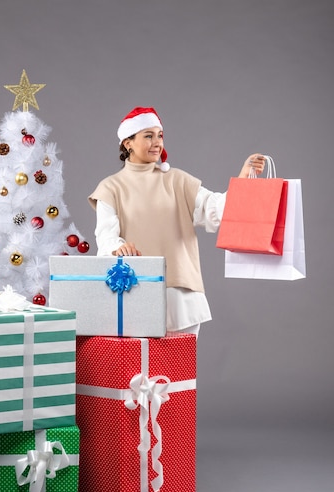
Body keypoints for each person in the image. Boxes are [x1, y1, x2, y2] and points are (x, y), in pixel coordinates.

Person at [88, 106, 265, 337]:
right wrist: (119, 248)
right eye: (148, 135)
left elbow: (217, 209)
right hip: (134, 293)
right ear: (127, 143)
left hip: (182, 298)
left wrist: (244, 179)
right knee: (138, 371)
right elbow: (106, 237)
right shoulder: (110, 187)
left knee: (180, 372)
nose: (157, 142)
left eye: (160, 135)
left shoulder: (178, 181)